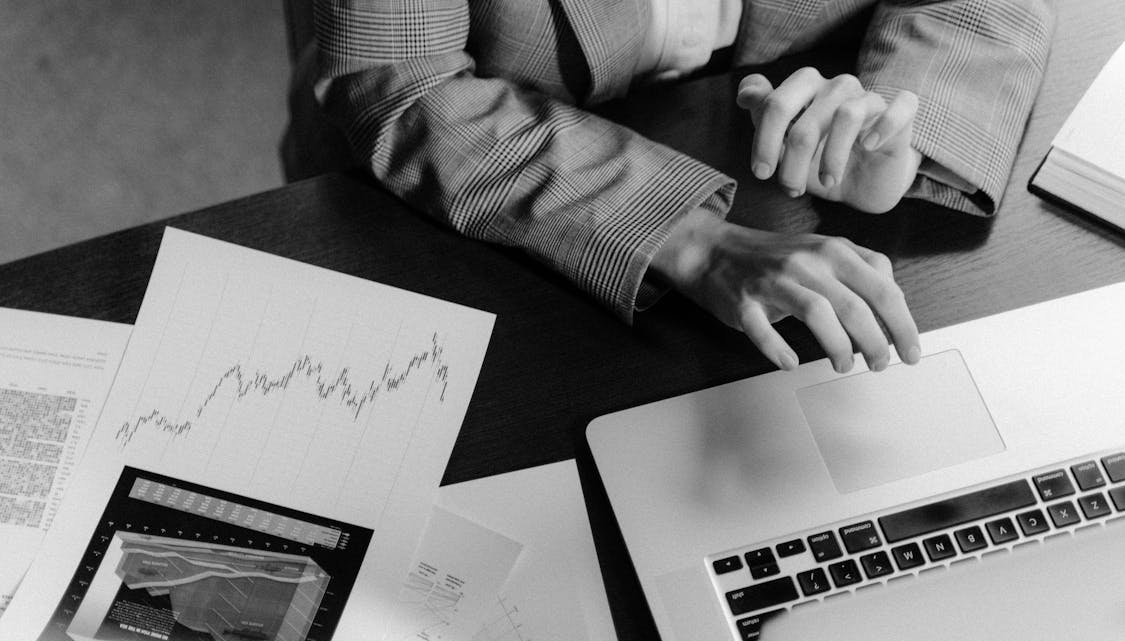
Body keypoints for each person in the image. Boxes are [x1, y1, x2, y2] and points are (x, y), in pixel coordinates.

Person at [303, 0, 1054, 373]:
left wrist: (899, 122)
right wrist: (690, 238)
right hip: (489, 177)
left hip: (791, 126)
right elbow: (404, 84)